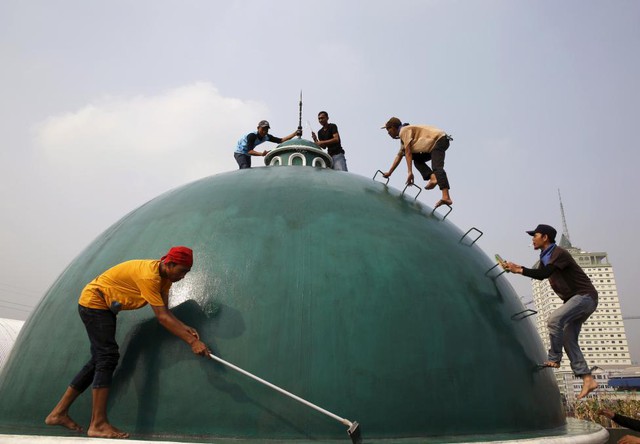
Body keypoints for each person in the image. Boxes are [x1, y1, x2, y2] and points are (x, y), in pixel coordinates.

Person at [45, 246, 211, 439]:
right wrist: (192, 342)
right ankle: (97, 424)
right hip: (94, 302)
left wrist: (184, 326)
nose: (183, 276)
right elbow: (162, 318)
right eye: (182, 271)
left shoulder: (165, 279)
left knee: (99, 359)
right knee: (107, 357)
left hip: (104, 306)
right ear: (170, 263)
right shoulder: (149, 277)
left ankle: (59, 413)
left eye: (187, 272)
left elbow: (165, 311)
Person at [501, 224, 598, 400]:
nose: (532, 239)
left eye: (535, 235)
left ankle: (554, 357)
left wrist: (519, 269)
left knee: (554, 320)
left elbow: (543, 274)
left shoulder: (558, 253)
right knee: (569, 340)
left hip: (584, 297)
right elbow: (540, 273)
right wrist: (516, 267)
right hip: (575, 301)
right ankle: (587, 378)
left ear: (545, 237)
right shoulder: (545, 256)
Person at [381, 117, 453, 208]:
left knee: (437, 167)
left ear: (394, 127)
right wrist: (390, 172)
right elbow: (399, 156)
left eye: (389, 130)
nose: (388, 133)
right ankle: (433, 177)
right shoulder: (404, 139)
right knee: (417, 160)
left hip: (439, 140)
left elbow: (408, 153)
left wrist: (410, 172)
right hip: (434, 144)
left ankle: (446, 197)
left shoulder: (404, 131)